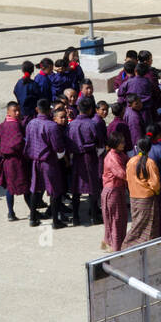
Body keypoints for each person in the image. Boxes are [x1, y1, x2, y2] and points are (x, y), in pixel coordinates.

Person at [25, 97, 67, 229]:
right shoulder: (51, 126)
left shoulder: (31, 123)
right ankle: (55, 221)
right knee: (54, 191)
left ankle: (33, 218)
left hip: (35, 161)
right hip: (49, 162)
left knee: (36, 189)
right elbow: (58, 148)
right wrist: (62, 156)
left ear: (38, 109)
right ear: (50, 110)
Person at [69, 96, 107, 226]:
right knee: (92, 187)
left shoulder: (72, 124)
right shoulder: (92, 124)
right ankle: (94, 216)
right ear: (91, 109)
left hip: (76, 158)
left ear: (78, 108)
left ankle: (75, 217)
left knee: (76, 189)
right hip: (90, 157)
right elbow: (100, 143)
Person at [0, 102, 28, 221]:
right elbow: (18, 143)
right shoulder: (15, 126)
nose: (17, 113)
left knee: (10, 187)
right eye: (14, 111)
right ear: (8, 112)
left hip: (7, 161)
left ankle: (11, 213)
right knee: (25, 186)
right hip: (16, 161)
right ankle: (32, 212)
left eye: (18, 110)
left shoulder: (3, 124)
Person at [126, 138, 161, 246]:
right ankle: (127, 246)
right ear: (150, 149)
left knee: (136, 225)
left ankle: (132, 248)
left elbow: (128, 178)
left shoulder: (131, 161)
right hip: (147, 199)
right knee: (149, 228)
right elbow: (155, 184)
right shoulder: (150, 163)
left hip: (134, 198)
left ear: (137, 148)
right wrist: (155, 191)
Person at [100, 127, 130, 252]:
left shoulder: (120, 154)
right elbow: (122, 174)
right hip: (112, 191)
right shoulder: (112, 157)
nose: (124, 144)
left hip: (119, 190)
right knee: (115, 220)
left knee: (121, 218)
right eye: (121, 142)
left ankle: (116, 245)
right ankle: (115, 248)